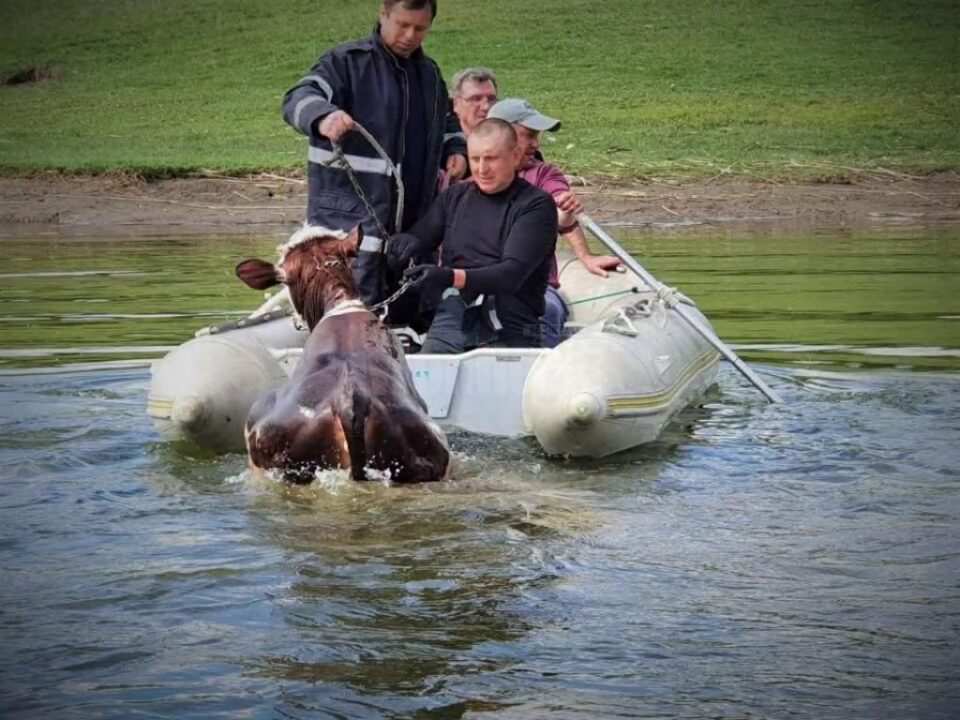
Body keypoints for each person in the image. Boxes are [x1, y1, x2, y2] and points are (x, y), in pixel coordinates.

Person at [281, 0, 464, 308]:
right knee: (348, 309)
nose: (410, 35)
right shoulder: (345, 63)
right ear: (383, 13)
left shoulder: (430, 74)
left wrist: (456, 146)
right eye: (402, 25)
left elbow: (446, 118)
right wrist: (322, 116)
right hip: (346, 231)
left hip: (410, 232)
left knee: (412, 307)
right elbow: (297, 98)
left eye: (420, 29)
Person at [387, 119, 558, 352]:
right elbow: (421, 237)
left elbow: (511, 274)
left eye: (491, 159)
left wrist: (448, 277)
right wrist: (404, 245)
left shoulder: (536, 205)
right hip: (452, 317)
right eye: (475, 159)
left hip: (511, 324)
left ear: (515, 155)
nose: (481, 169)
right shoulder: (455, 196)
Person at [487, 97, 621, 346]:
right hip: (477, 286)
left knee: (545, 309)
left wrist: (583, 250)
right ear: (502, 135)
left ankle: (539, 371)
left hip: (536, 288)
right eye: (529, 134)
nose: (535, 143)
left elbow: (559, 209)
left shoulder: (544, 174)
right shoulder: (467, 180)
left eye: (536, 136)